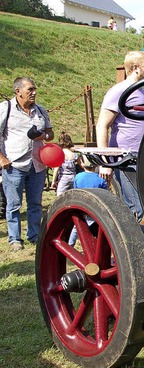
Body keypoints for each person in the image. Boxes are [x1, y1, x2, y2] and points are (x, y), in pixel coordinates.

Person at [96, 50, 144, 222]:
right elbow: (102, 125)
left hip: (142, 156)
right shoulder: (119, 91)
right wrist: (105, 162)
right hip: (126, 159)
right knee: (136, 208)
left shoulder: (143, 92)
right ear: (135, 68)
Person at [0, 77, 54, 250]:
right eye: (30, 89)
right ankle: (15, 239)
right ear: (18, 91)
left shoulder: (40, 110)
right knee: (14, 204)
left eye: (34, 89)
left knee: (36, 203)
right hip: (14, 164)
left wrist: (43, 137)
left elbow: (50, 133)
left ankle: (34, 235)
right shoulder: (5, 108)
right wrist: (2, 158)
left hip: (37, 164)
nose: (34, 92)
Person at [68, 155, 108, 246]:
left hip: (81, 205)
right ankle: (98, 245)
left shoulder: (78, 177)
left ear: (82, 164)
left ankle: (70, 244)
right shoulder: (100, 179)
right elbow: (106, 195)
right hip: (95, 208)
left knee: (76, 227)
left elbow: (75, 190)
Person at [50, 131, 80, 196]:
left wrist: (53, 181)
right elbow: (81, 165)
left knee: (60, 196)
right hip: (73, 177)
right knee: (73, 196)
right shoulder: (74, 155)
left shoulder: (60, 154)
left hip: (63, 177)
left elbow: (56, 169)